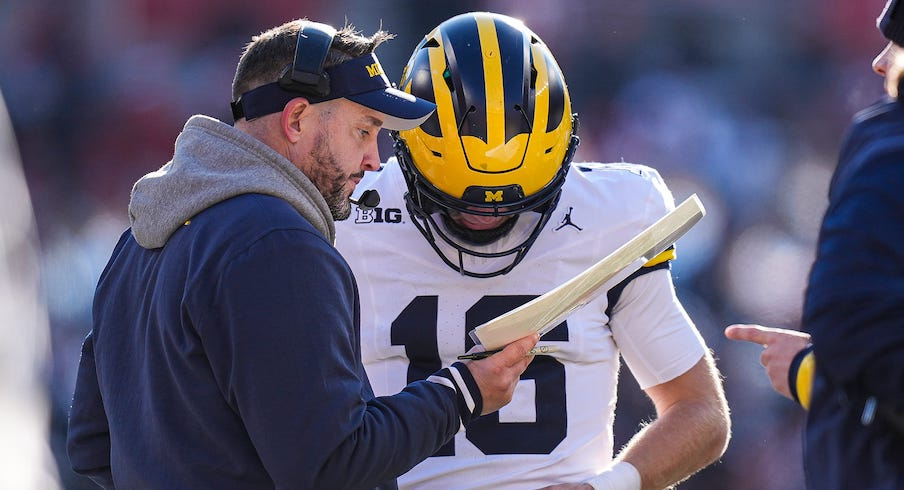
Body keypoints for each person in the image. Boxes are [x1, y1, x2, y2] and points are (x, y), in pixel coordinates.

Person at [66, 18, 540, 489]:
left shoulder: (137, 240)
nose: (375, 159)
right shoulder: (278, 244)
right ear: (296, 119)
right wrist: (463, 393)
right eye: (364, 130)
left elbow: (91, 442)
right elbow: (333, 463)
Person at [335, 12, 730, 490]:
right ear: (405, 149)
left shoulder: (612, 214)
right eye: (457, 202)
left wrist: (604, 487)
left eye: (516, 203)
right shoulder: (349, 212)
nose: (486, 218)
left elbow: (700, 412)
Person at [725, 1, 904, 487]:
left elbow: (861, 336)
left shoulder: (890, 151)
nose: (881, 61)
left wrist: (813, 372)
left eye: (900, 43)